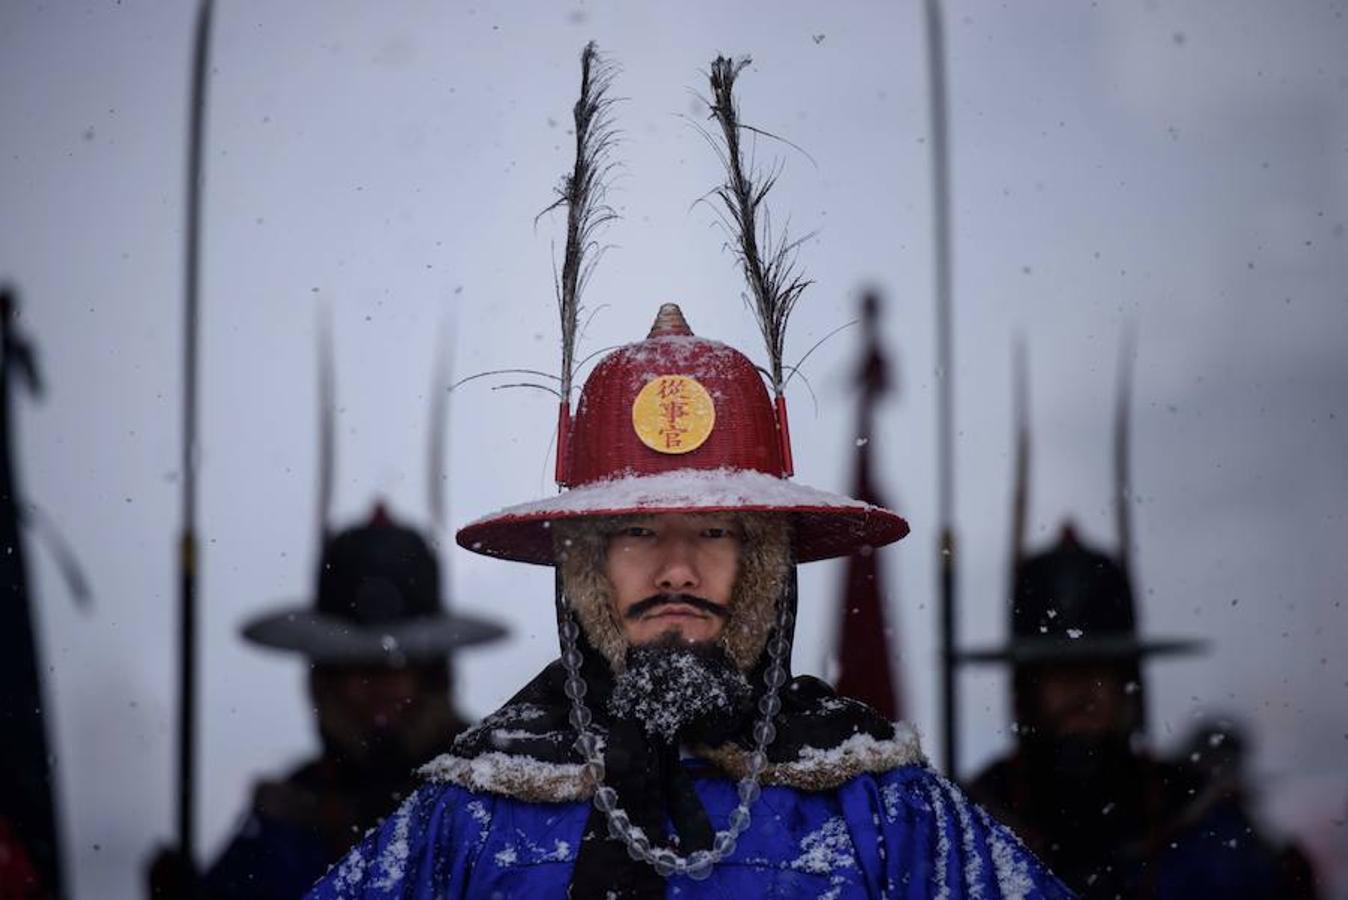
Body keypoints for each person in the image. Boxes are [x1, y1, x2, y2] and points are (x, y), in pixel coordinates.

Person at [305, 304, 1071, 898]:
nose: (676, 569)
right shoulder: (471, 811)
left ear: (766, 562)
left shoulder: (881, 806)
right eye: (637, 530)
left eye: (712, 529)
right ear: (584, 568)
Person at [197, 507, 507, 900]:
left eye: (396, 668)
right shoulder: (290, 812)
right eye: (355, 669)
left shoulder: (496, 790)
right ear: (325, 682)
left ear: (432, 675)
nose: (377, 690)